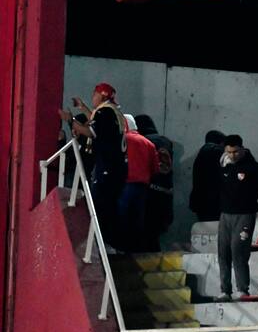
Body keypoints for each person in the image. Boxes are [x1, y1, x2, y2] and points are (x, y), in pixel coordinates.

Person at [58, 82, 127, 249]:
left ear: (102, 95)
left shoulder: (105, 112)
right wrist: (83, 107)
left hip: (107, 170)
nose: (92, 97)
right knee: (109, 207)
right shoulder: (113, 112)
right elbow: (98, 123)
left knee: (102, 208)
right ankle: (111, 244)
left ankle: (104, 245)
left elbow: (91, 131)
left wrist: (70, 120)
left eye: (95, 94)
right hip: (117, 169)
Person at [218, 135, 258, 300]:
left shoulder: (255, 169)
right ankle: (225, 290)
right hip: (225, 215)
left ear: (242, 149)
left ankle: (242, 289)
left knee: (238, 250)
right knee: (223, 253)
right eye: (229, 152)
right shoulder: (224, 167)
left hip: (245, 215)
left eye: (235, 152)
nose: (232, 155)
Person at [118, 115, 159, 253]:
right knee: (137, 221)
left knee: (122, 219)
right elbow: (155, 169)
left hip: (125, 185)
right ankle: (136, 251)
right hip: (143, 187)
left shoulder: (123, 140)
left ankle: (121, 249)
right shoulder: (149, 144)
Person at [135, 115, 174, 251]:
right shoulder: (166, 142)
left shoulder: (142, 141)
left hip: (147, 195)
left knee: (143, 238)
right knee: (153, 237)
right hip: (165, 194)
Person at [190, 130, 226, 222]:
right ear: (221, 142)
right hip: (215, 202)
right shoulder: (216, 151)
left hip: (201, 202)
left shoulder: (202, 152)